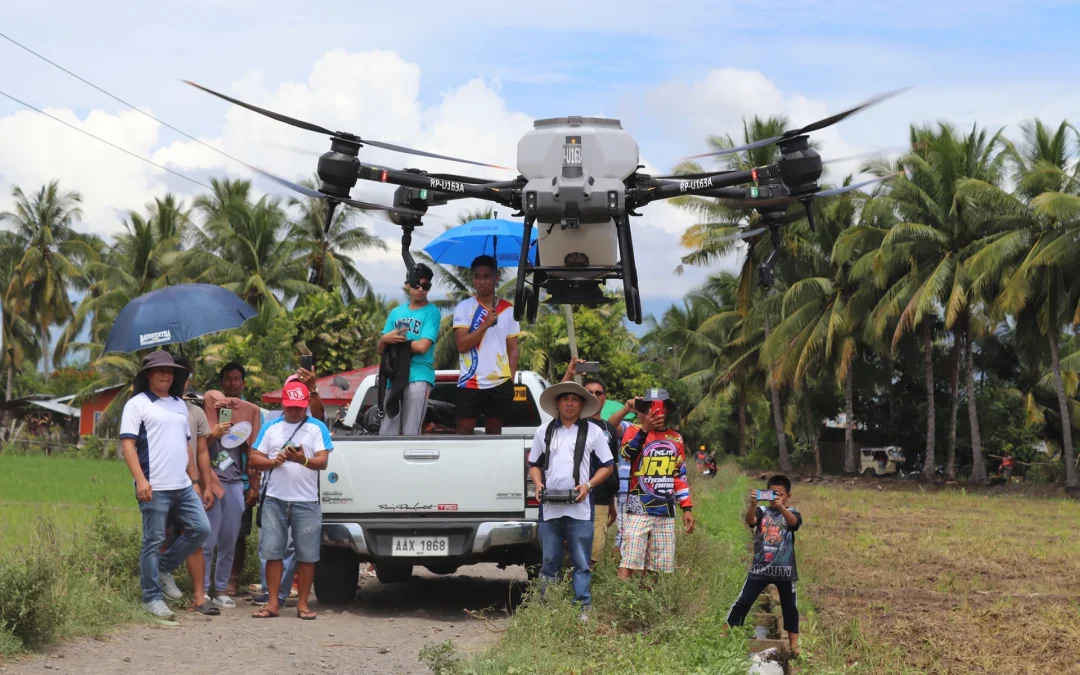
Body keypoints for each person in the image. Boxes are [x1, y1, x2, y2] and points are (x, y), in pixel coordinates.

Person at [119, 351, 211, 619]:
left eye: (170, 371)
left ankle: (163, 567)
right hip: (154, 485)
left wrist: (194, 480)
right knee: (153, 540)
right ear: (148, 374)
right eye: (160, 371)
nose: (166, 375)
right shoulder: (137, 404)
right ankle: (151, 597)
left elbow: (186, 446)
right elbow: (128, 445)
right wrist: (140, 480)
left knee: (200, 529)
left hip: (182, 485)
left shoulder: (179, 405)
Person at [527, 382, 614, 619]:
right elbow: (533, 463)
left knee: (581, 563)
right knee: (549, 563)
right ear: (557, 403)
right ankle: (546, 611)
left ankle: (582, 610)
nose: (569, 403)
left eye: (574, 399)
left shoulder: (594, 432)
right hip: (550, 508)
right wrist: (538, 484)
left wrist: (588, 485)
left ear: (582, 404)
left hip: (580, 509)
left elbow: (607, 466)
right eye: (564, 398)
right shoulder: (543, 431)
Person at [249, 380, 332, 620]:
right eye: (290, 407)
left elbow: (323, 462)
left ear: (306, 405)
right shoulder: (271, 428)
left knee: (307, 555)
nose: (294, 411)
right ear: (283, 405)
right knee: (272, 552)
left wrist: (301, 460)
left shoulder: (317, 428)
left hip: (307, 501)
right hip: (275, 499)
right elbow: (254, 458)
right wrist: (273, 461)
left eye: (298, 407)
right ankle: (273, 603)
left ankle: (303, 604)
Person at [617, 388, 695, 580]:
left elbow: (679, 475)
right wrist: (645, 430)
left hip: (665, 511)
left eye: (659, 406)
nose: (655, 410)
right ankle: (620, 607)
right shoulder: (634, 431)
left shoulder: (675, 438)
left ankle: (650, 607)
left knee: (659, 567)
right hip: (637, 509)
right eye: (650, 406)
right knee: (629, 561)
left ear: (667, 409)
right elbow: (627, 455)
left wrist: (687, 508)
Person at [724, 475, 802, 656]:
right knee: (743, 601)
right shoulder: (761, 510)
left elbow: (794, 523)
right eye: (773, 494)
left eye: (780, 495)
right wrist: (752, 505)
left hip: (785, 571)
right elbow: (750, 521)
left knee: (790, 607)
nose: (776, 498)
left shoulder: (793, 512)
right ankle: (726, 633)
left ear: (788, 496)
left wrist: (782, 507)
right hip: (760, 568)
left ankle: (794, 645)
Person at [201, 389, 261, 609]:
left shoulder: (238, 426)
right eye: (213, 404)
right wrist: (212, 434)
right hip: (211, 486)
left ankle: (222, 589)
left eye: (223, 405)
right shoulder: (201, 425)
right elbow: (196, 450)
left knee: (229, 541)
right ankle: (203, 590)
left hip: (235, 485)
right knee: (207, 541)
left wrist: (235, 407)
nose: (218, 408)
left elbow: (253, 414)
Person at [560, 361, 620, 567]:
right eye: (590, 392)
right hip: (574, 497)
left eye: (599, 393)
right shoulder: (571, 423)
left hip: (601, 499)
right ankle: (567, 596)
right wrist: (569, 374)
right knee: (570, 553)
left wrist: (612, 502)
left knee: (594, 554)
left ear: (605, 397)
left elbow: (612, 467)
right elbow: (557, 400)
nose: (595, 396)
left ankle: (584, 596)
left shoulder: (609, 429)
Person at [453, 255, 521, 435]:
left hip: (500, 383)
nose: (481, 282)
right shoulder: (464, 307)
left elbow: (513, 349)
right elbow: (461, 345)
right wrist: (485, 324)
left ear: (496, 277)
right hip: (470, 381)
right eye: (477, 277)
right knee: (464, 429)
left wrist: (510, 381)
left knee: (494, 431)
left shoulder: (508, 309)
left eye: (487, 276)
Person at [378, 263, 441, 436]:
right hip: (394, 377)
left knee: (411, 432)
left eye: (425, 286)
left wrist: (395, 342)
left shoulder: (432, 312)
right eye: (416, 285)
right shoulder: (396, 312)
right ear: (408, 286)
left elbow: (423, 346)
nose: (421, 289)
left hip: (418, 376)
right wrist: (384, 339)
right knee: (386, 432)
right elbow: (381, 349)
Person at [219, 362, 259, 597]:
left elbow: (257, 449)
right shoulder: (212, 407)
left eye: (237, 379)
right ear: (221, 383)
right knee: (212, 532)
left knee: (239, 535)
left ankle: (233, 579)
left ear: (243, 383)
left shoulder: (252, 412)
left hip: (242, 483)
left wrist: (254, 484)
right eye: (228, 379)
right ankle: (214, 578)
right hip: (216, 480)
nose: (232, 383)